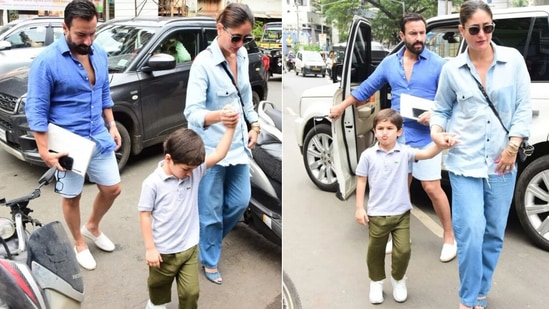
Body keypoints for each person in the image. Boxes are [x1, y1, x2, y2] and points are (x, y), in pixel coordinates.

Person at [329, 12, 457, 262]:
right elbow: (367, 88)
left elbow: (452, 99)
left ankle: (449, 237)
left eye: (422, 33)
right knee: (400, 188)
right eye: (414, 34)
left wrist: (435, 114)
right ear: (402, 35)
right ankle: (401, 233)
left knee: (432, 187)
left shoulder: (439, 64)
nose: (420, 38)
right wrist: (342, 106)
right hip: (398, 138)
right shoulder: (390, 63)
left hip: (426, 137)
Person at [430, 1, 531, 309]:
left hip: (502, 165)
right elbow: (441, 109)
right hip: (464, 163)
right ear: (462, 31)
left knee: (493, 234)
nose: (482, 34)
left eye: (487, 27)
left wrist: (512, 148)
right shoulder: (452, 69)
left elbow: (522, 108)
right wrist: (437, 132)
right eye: (474, 29)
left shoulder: (512, 60)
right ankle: (467, 298)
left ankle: (481, 293)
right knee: (471, 232)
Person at [25, 0, 121, 271]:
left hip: (98, 136)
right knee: (72, 196)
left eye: (92, 33)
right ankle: (79, 241)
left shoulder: (98, 52)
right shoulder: (46, 62)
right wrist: (45, 151)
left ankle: (92, 226)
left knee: (113, 188)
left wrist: (112, 124)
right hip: (68, 145)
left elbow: (103, 92)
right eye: (81, 34)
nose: (87, 40)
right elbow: (36, 110)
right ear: (64, 27)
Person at [183, 2, 259, 285]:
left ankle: (204, 240)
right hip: (211, 150)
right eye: (235, 37)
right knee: (211, 211)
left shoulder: (242, 58)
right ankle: (209, 258)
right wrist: (219, 116)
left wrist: (255, 125)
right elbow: (191, 113)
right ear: (220, 29)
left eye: (245, 38)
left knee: (239, 203)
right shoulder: (203, 63)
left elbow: (246, 97)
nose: (239, 44)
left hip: (239, 147)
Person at [356, 109, 456, 305]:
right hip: (377, 214)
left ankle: (398, 279)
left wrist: (440, 144)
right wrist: (360, 207)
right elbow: (361, 182)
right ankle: (376, 282)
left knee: (403, 251)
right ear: (374, 131)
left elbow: (427, 154)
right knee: (375, 252)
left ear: (399, 132)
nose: (385, 132)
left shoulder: (405, 152)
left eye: (390, 128)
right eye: (380, 128)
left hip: (401, 214)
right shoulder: (368, 155)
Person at [138, 117, 236, 309]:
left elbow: (218, 153)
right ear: (169, 159)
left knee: (191, 293)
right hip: (163, 252)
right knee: (158, 287)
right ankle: (156, 304)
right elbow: (144, 214)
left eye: (193, 169)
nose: (191, 173)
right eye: (186, 169)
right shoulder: (152, 183)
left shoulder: (195, 170)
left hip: (189, 248)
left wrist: (230, 128)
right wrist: (150, 248)